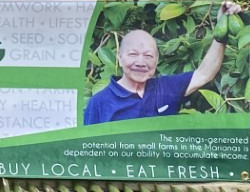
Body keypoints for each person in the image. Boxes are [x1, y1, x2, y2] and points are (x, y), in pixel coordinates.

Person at [82, 26, 230, 125]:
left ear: (156, 60)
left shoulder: (165, 87)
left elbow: (204, 74)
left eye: (148, 56)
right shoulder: (99, 103)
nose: (141, 62)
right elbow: (89, 150)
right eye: (133, 54)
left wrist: (220, 35)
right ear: (120, 57)